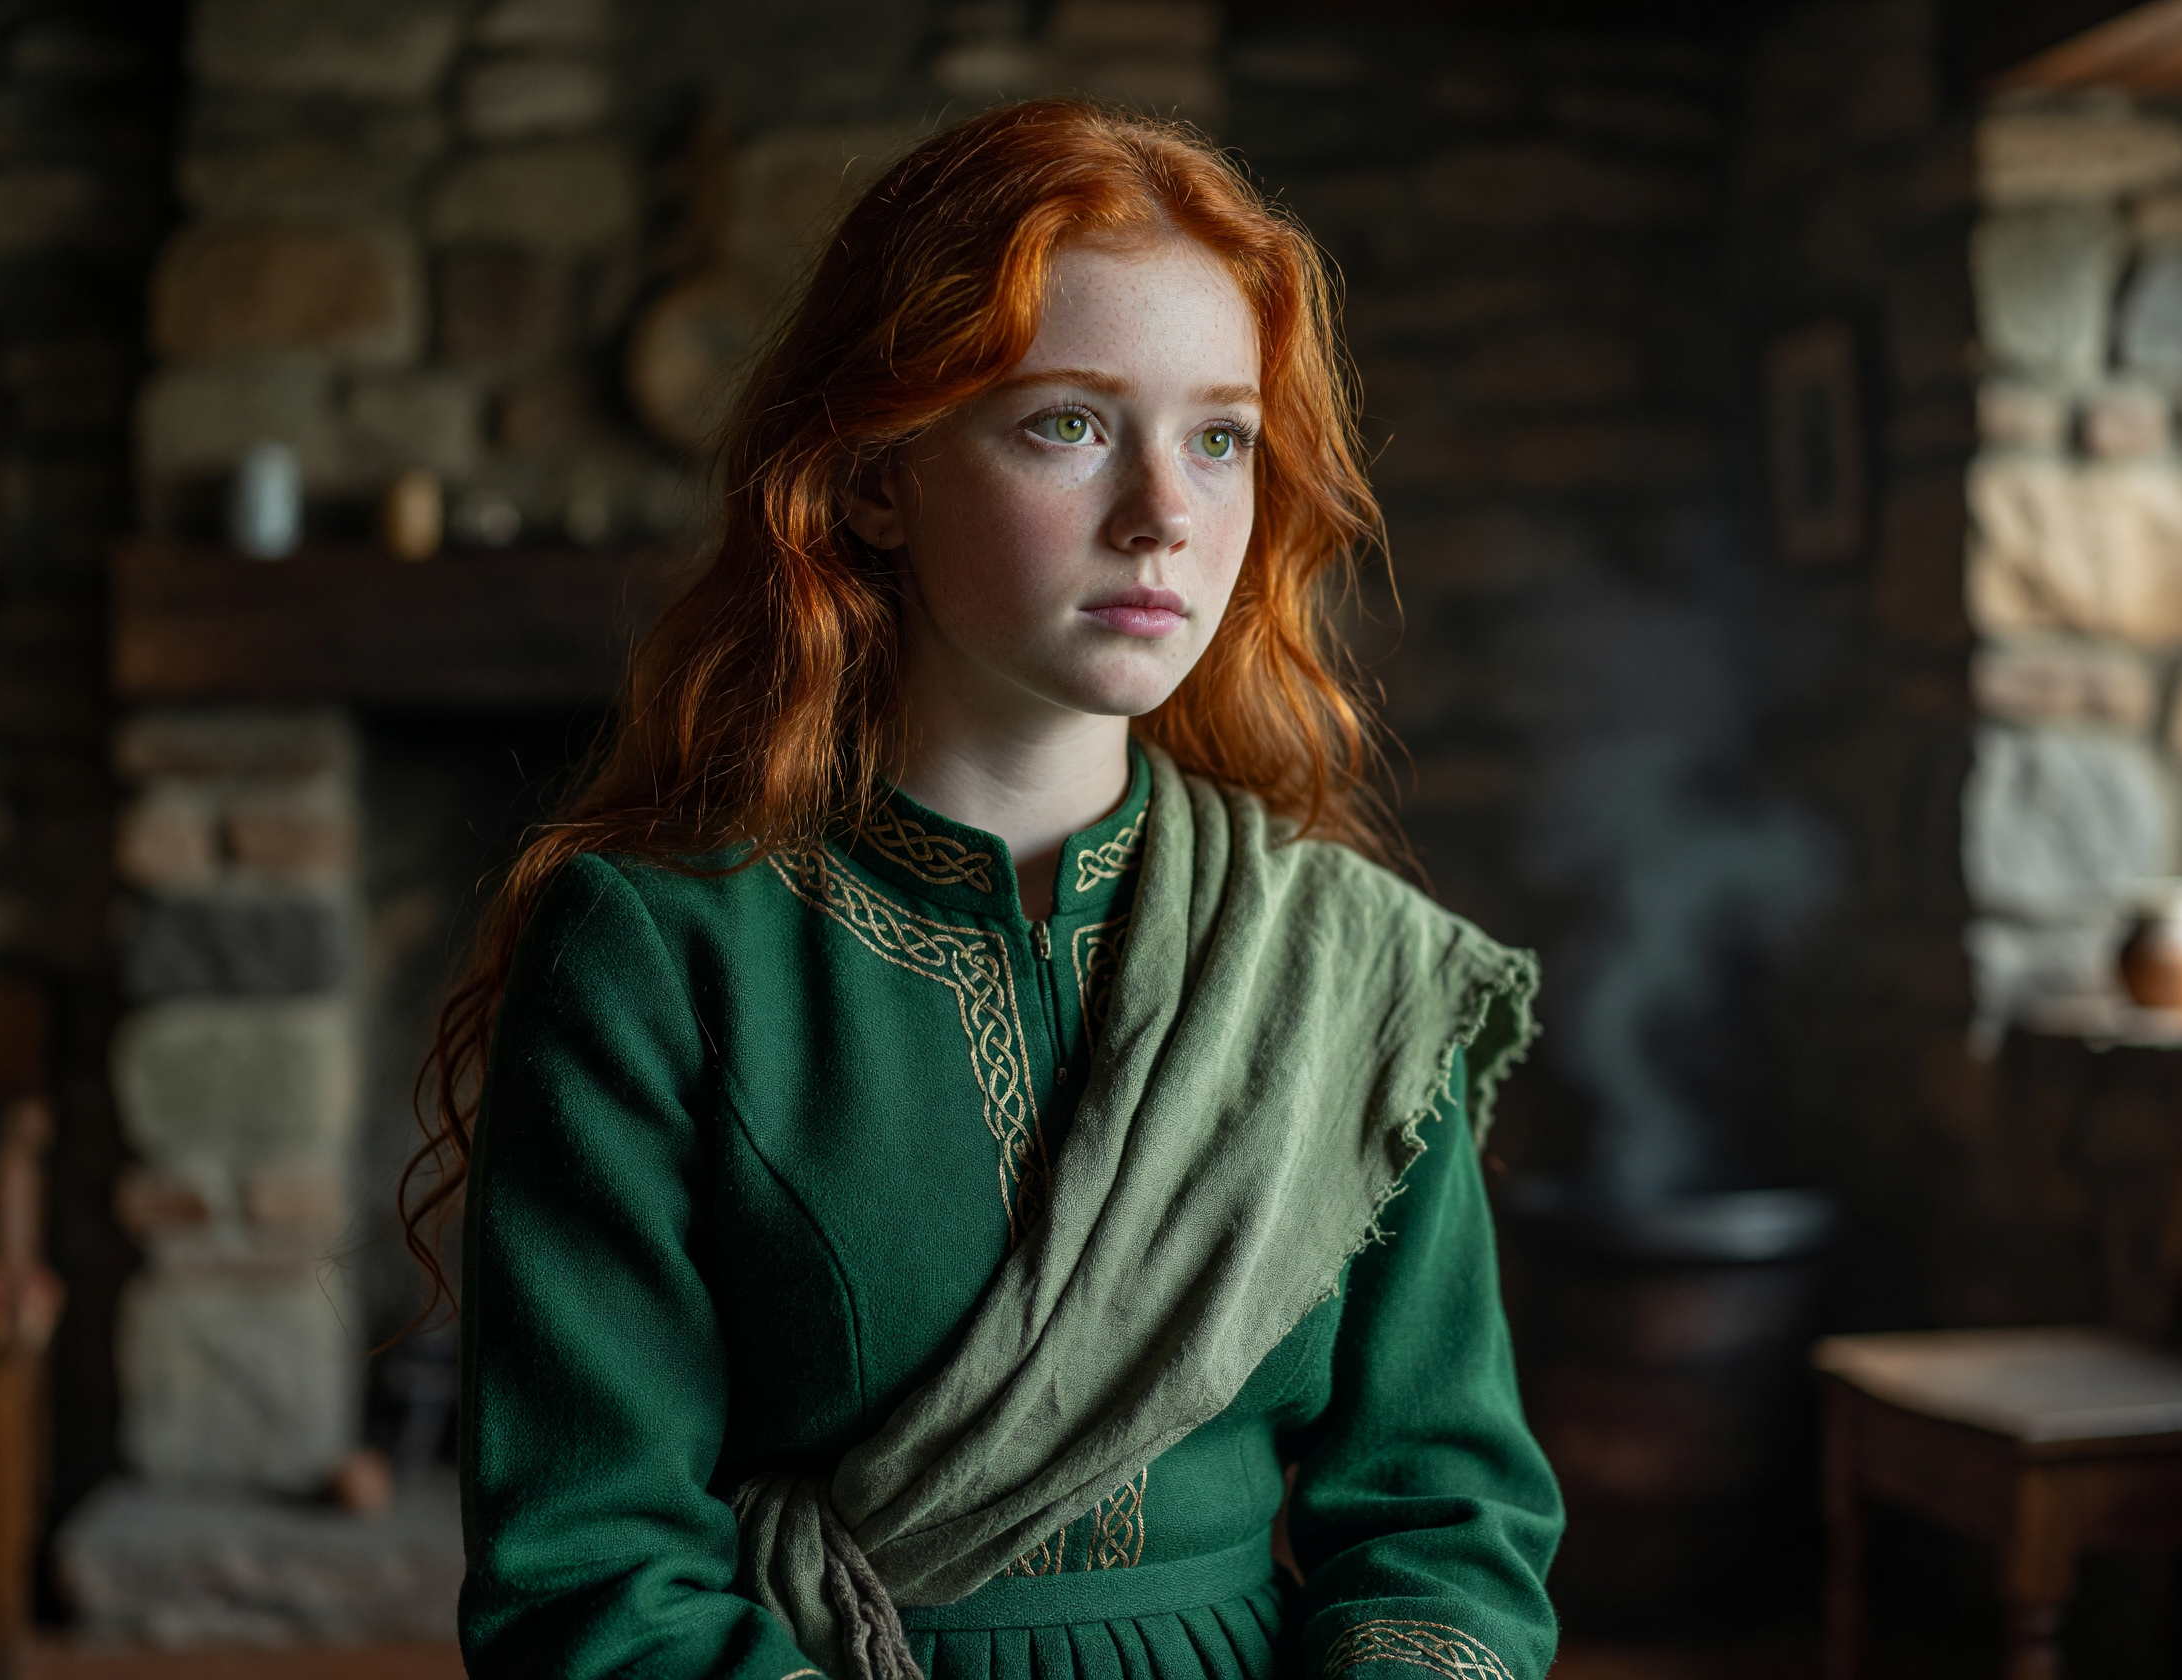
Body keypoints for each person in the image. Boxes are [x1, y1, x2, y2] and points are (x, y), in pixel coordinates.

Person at [405, 98, 1563, 1680]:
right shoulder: (659, 954)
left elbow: (1447, 1518)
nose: (1167, 511)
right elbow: (589, 1570)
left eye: (1219, 435)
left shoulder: (1348, 963)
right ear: (877, 481)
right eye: (1067, 423)